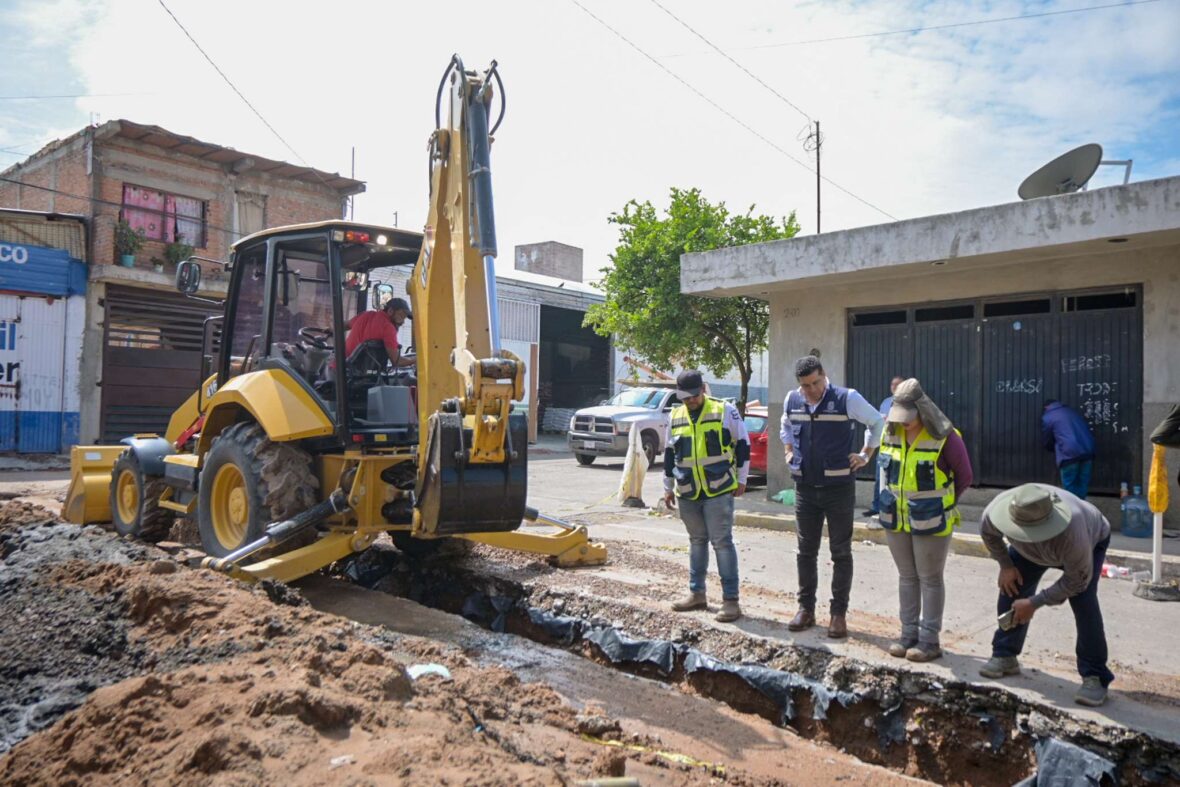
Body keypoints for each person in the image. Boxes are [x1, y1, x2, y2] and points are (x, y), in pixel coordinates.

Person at [979, 483, 1114, 707]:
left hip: (1088, 542)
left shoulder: (1074, 533)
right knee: (1010, 590)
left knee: (1084, 603)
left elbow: (1076, 581)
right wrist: (1005, 565)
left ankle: (1096, 676)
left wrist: (1035, 603)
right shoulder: (995, 510)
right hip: (1028, 553)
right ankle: (1005, 654)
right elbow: (988, 534)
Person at [781, 355, 885, 638]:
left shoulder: (847, 398)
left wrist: (865, 455)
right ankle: (806, 609)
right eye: (806, 386)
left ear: (824, 375)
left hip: (838, 488)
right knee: (805, 551)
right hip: (805, 488)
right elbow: (786, 426)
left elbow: (877, 422)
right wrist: (789, 450)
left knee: (840, 552)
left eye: (816, 383)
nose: (811, 390)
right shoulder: (792, 399)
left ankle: (838, 615)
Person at [878, 379, 973, 662]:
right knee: (907, 577)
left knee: (930, 578)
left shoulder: (946, 437)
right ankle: (908, 634)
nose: (904, 423)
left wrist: (941, 503)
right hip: (896, 518)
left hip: (931, 520)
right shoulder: (890, 431)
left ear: (922, 410)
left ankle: (930, 640)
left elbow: (965, 477)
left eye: (909, 418)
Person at [664, 369, 751, 623]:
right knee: (696, 541)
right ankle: (697, 593)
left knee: (722, 543)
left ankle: (731, 601)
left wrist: (742, 478)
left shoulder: (724, 410)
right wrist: (667, 486)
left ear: (702, 389)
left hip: (719, 488)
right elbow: (670, 454)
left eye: (693, 395)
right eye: (685, 397)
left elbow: (743, 444)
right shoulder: (676, 415)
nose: (689, 401)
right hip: (688, 490)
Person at [865, 376, 905, 517]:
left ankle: (895, 508)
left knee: (896, 479)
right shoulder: (886, 402)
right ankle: (877, 507)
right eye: (892, 384)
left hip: (900, 448)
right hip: (884, 446)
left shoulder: (908, 403)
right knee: (880, 477)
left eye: (897, 384)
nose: (894, 387)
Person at [1041, 400, 1096, 499]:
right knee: (1083, 482)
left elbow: (1048, 438)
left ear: (1046, 407)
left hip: (1069, 453)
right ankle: (1083, 508)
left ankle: (1072, 509)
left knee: (1070, 485)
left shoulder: (1048, 417)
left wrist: (1050, 448)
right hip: (1088, 450)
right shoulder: (1071, 411)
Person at [344, 296, 415, 368]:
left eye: (404, 318)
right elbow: (397, 361)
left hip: (342, 368)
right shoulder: (388, 327)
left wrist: (332, 331)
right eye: (400, 316)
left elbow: (344, 325)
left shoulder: (365, 315)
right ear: (390, 311)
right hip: (358, 373)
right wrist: (416, 360)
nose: (402, 322)